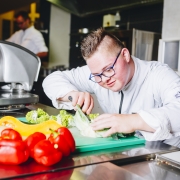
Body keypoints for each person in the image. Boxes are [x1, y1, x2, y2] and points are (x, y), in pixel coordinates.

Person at [43, 27, 180, 147]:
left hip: (166, 158)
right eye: (96, 75)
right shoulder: (98, 72)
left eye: (108, 69)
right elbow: (51, 80)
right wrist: (72, 94)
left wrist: (133, 120)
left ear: (125, 55)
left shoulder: (158, 74)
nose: (104, 79)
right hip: (123, 154)